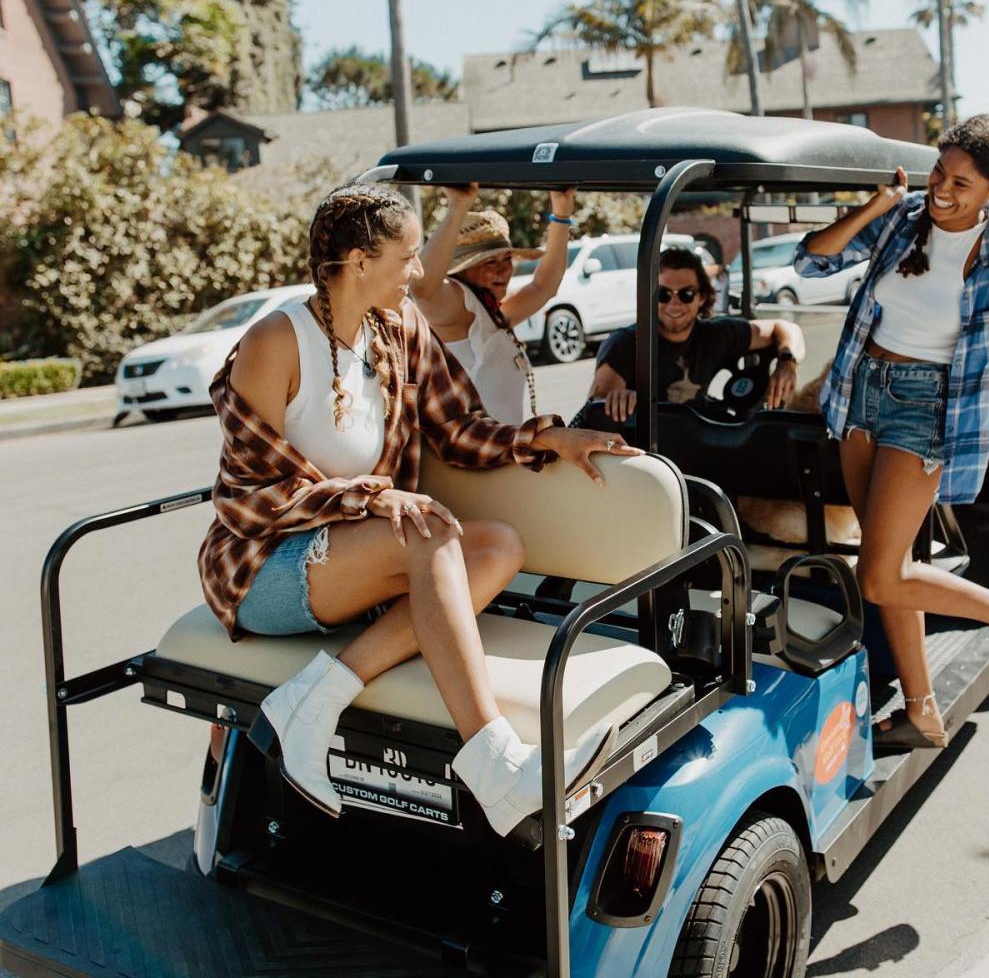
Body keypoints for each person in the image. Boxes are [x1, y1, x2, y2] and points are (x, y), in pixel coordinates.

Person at [197, 182, 641, 836]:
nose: (421, 272)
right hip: (261, 563)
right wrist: (376, 497)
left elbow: (456, 424)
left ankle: (312, 701)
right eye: (406, 257)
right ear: (358, 263)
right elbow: (256, 492)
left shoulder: (400, 329)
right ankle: (496, 766)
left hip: (359, 554)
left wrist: (544, 436)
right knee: (427, 532)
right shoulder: (275, 341)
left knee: (498, 547)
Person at [794, 114, 989, 752]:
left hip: (927, 409)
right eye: (940, 171)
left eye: (961, 183)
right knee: (897, 565)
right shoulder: (903, 218)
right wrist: (876, 204)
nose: (941, 189)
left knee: (879, 577)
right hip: (860, 394)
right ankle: (922, 709)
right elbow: (812, 262)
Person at [411, 184, 577, 423]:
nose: (502, 269)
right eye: (489, 262)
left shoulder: (491, 312)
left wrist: (561, 215)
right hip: (472, 455)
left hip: (501, 450)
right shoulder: (459, 305)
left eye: (506, 258)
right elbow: (422, 288)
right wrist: (458, 207)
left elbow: (544, 286)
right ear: (463, 270)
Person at [588, 245, 805, 422]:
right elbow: (601, 402)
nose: (674, 304)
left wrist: (787, 363)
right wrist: (619, 398)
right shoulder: (626, 343)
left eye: (686, 294)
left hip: (700, 442)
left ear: (702, 297)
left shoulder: (715, 335)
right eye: (663, 294)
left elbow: (786, 328)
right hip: (647, 453)